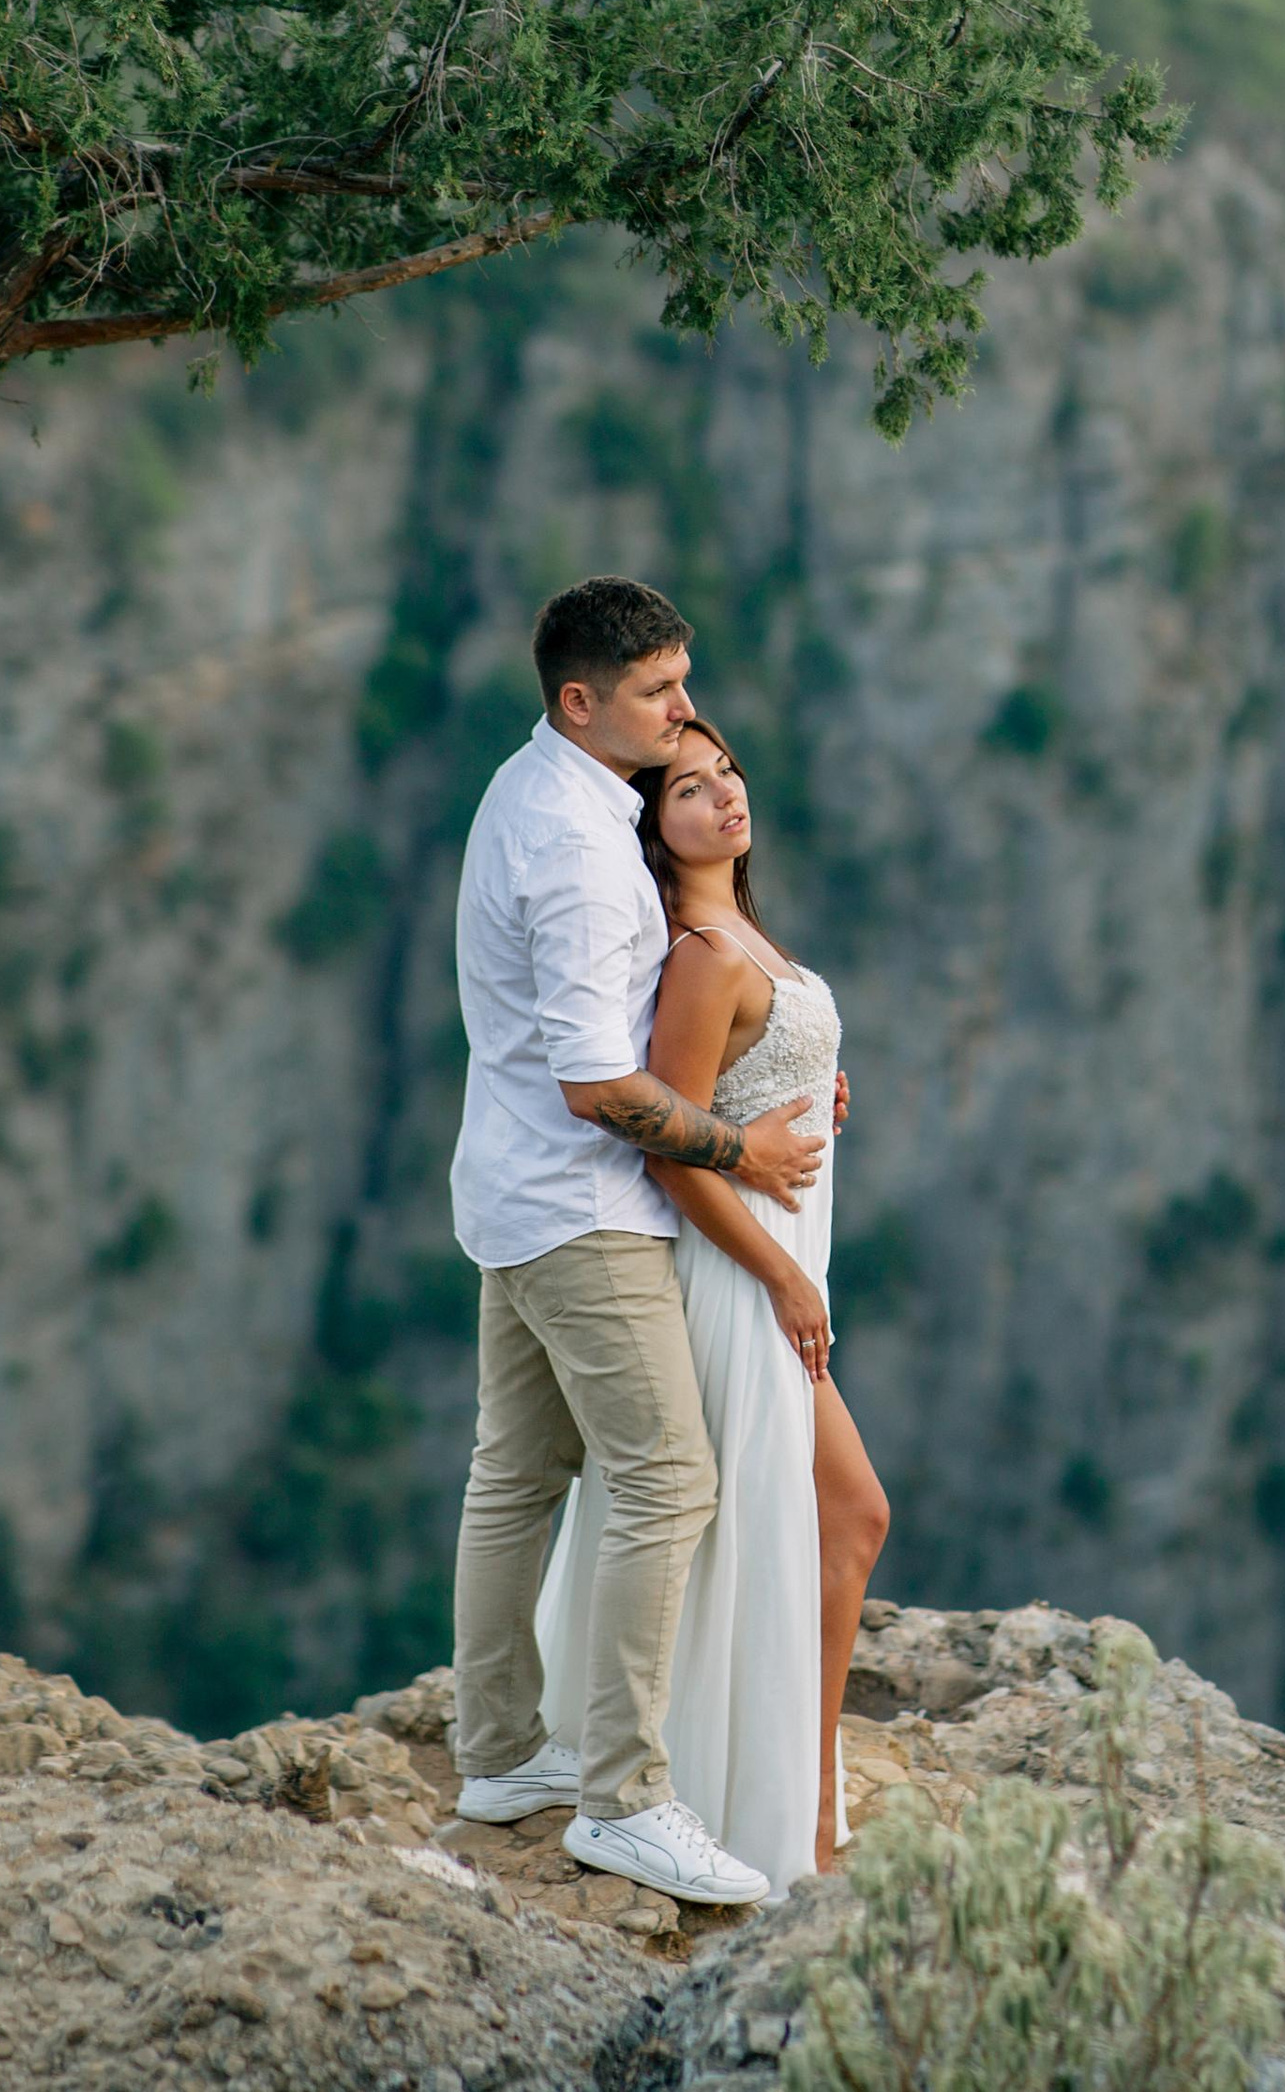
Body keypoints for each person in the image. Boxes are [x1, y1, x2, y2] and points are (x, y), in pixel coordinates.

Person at [445, 578, 827, 1907]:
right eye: (660, 692)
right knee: (669, 1480)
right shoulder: (580, 846)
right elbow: (600, 1088)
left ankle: (498, 1759)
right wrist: (744, 1149)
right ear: (580, 699)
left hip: (507, 1191)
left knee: (519, 1471)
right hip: (579, 1205)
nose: (683, 711)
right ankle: (626, 1798)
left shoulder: (533, 792)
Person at [533, 715, 891, 1886]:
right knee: (837, 1515)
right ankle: (787, 1803)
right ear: (653, 822)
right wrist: (784, 1275)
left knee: (825, 1521)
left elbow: (738, 1097)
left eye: (729, 769)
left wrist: (807, 1094)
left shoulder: (744, 936)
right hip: (745, 1280)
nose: (724, 794)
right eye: (688, 788)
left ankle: (802, 1786)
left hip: (784, 1265)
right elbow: (672, 1152)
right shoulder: (702, 952)